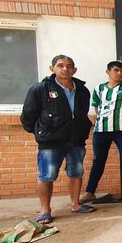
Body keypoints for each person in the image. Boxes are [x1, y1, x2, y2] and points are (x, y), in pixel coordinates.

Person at [21, 55, 95, 223]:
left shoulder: (82, 90)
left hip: (75, 140)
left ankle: (76, 204)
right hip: (50, 142)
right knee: (47, 176)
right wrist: (41, 132)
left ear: (74, 70)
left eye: (69, 66)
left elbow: (81, 114)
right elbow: (28, 116)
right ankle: (45, 210)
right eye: (60, 65)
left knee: (76, 173)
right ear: (52, 68)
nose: (65, 69)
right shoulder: (40, 88)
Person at [82, 61, 122, 203]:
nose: (120, 73)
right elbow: (97, 108)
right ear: (108, 72)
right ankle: (90, 192)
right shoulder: (98, 89)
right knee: (98, 161)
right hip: (101, 130)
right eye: (116, 70)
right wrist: (101, 120)